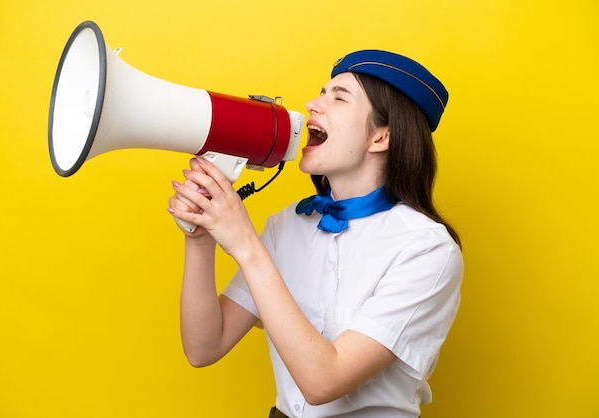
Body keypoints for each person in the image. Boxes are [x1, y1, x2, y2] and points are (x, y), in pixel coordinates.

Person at [167, 49, 463, 418]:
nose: (312, 104)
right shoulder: (287, 225)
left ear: (381, 137)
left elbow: (325, 381)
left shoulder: (427, 249)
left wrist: (245, 244)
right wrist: (199, 239)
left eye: (338, 97)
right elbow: (204, 347)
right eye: (321, 92)